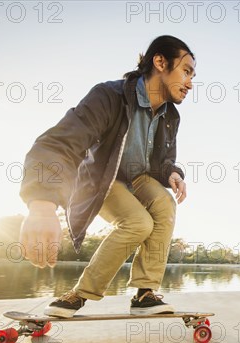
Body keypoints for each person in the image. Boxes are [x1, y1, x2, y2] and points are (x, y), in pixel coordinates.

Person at [18, 35, 195, 318]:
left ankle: (145, 294)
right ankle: (80, 294)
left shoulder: (170, 116)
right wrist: (41, 204)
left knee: (164, 203)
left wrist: (173, 172)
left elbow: (163, 159)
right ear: (160, 62)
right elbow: (59, 144)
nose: (190, 83)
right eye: (186, 71)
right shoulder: (109, 97)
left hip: (139, 179)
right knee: (138, 223)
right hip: (103, 178)